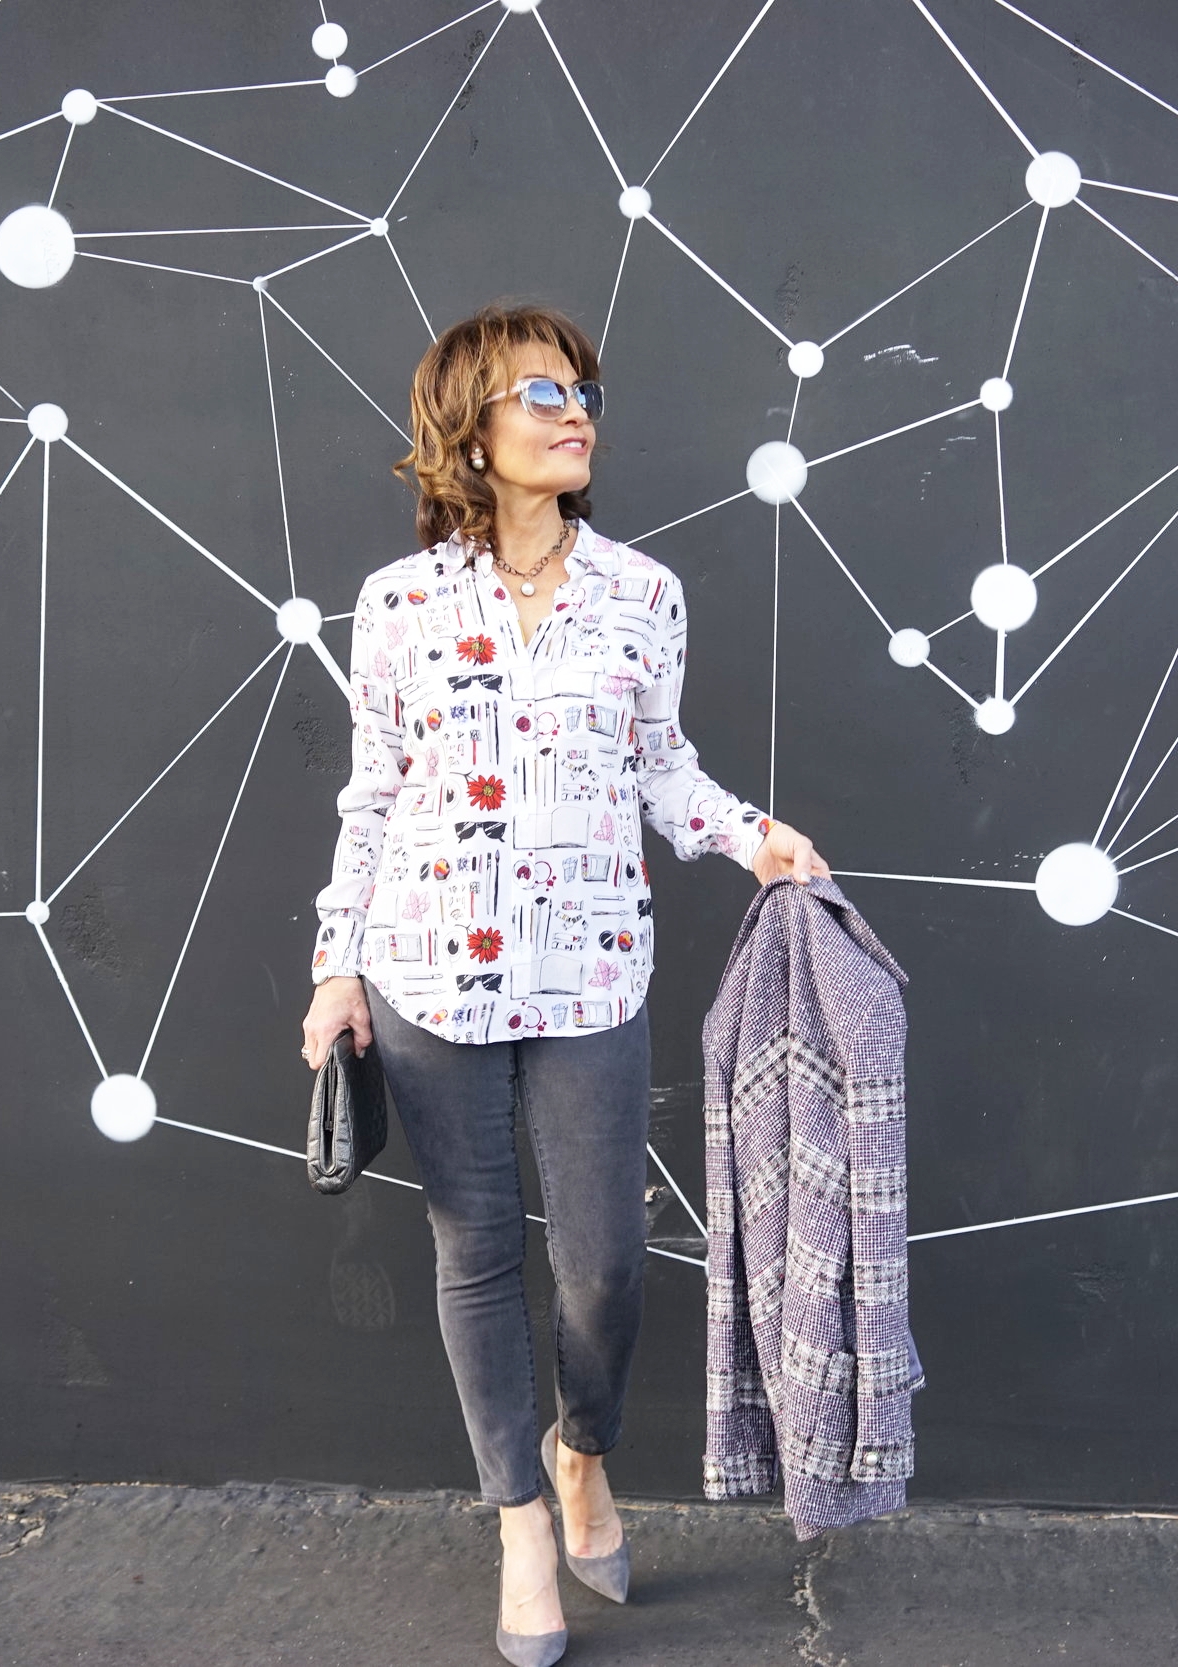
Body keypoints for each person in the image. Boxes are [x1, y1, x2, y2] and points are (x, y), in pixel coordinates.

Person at [300, 303, 828, 1664]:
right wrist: (336, 965)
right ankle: (521, 1522)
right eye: (539, 389)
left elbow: (662, 771)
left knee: (603, 1263)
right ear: (468, 423)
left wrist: (753, 837)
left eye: (584, 387)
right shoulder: (400, 603)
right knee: (474, 1254)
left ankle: (581, 1447)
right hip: (429, 973)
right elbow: (375, 798)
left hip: (590, 971)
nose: (573, 407)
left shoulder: (643, 596)